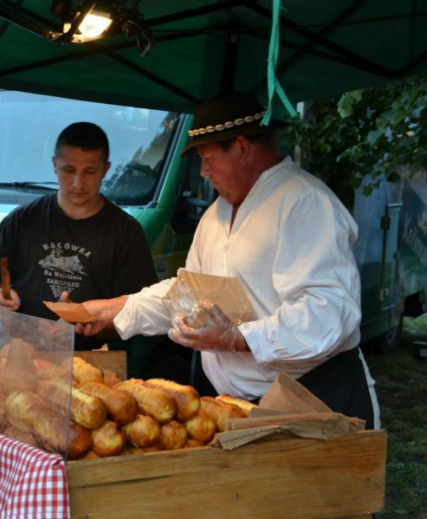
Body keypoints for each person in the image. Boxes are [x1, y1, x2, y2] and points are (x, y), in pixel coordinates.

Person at [72, 92, 380, 429]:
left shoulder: (305, 202)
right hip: (238, 404)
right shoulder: (217, 214)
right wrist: (116, 309)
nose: (203, 172)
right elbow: (187, 294)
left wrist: (238, 338)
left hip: (314, 398)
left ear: (243, 147)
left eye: (208, 158)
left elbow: (328, 311)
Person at [0, 122, 178, 377]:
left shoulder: (125, 232)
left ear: (106, 170)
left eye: (89, 171)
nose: (77, 182)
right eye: (68, 170)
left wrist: (83, 322)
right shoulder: (21, 220)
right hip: (19, 360)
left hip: (91, 368)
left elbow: (139, 320)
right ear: (54, 165)